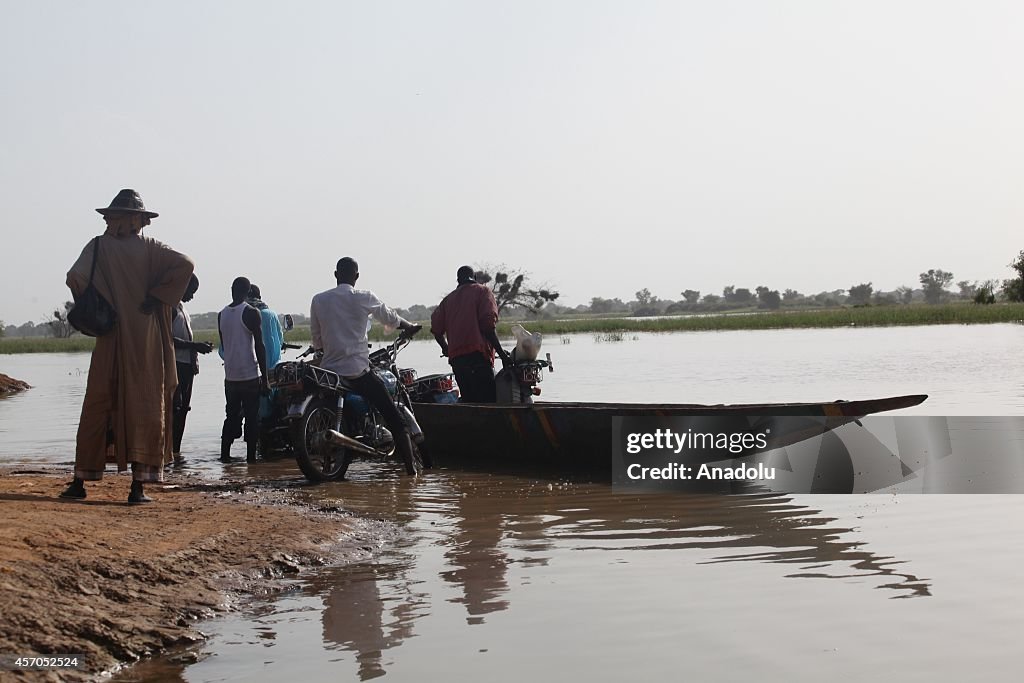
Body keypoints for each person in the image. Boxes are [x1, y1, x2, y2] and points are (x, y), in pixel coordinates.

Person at [60, 189, 194, 504]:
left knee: (97, 406)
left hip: (110, 337)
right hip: (146, 339)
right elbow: (186, 265)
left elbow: (74, 279)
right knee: (146, 407)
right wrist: (157, 296)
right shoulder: (152, 249)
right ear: (138, 219)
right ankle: (138, 487)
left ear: (116, 217)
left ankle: (80, 482)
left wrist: (101, 302)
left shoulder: (97, 247)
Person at [310, 257, 422, 475]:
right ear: (357, 276)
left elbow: (316, 337)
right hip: (357, 370)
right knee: (394, 417)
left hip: (329, 370)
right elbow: (388, 316)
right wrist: (408, 326)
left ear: (335, 275)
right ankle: (411, 473)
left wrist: (324, 351)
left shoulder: (318, 300)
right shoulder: (363, 297)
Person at [430, 265, 510, 403]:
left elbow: (436, 330)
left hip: (458, 361)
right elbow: (488, 326)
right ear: (475, 278)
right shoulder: (483, 292)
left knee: (469, 401)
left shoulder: (447, 300)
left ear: (458, 280)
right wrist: (503, 355)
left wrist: (446, 348)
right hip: (479, 357)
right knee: (489, 401)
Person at [218, 276, 269, 463]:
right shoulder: (251, 312)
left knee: (230, 416)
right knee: (252, 417)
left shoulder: (221, 314)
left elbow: (225, 346)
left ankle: (224, 455)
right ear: (248, 293)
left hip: (230, 377)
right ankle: (250, 459)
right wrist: (266, 378)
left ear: (231, 289)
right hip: (249, 376)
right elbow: (260, 346)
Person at [171, 274, 214, 462]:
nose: (192, 296)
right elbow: (167, 339)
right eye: (191, 291)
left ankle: (176, 452)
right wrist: (195, 346)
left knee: (183, 410)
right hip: (176, 366)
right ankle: (169, 451)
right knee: (175, 409)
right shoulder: (171, 309)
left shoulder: (183, 309)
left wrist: (196, 349)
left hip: (188, 366)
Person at [246, 283, 284, 420]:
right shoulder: (271, 314)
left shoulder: (242, 314)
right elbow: (279, 338)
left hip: (248, 374)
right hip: (273, 371)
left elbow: (223, 352)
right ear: (259, 296)